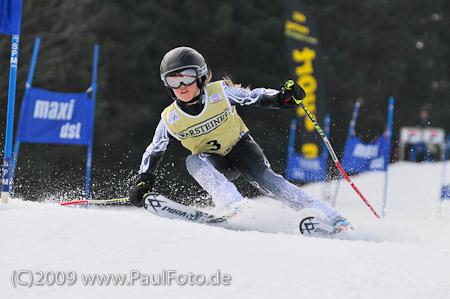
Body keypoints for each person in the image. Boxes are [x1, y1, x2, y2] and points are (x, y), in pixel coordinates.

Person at [129, 46, 351, 231]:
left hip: (242, 150)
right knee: (193, 161)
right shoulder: (170, 117)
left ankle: (332, 218)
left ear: (200, 77)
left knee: (270, 183)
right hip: (214, 162)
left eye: (187, 78)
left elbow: (255, 97)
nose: (182, 86)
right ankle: (232, 205)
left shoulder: (221, 93)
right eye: (174, 80)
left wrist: (282, 98)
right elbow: (154, 149)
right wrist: (143, 178)